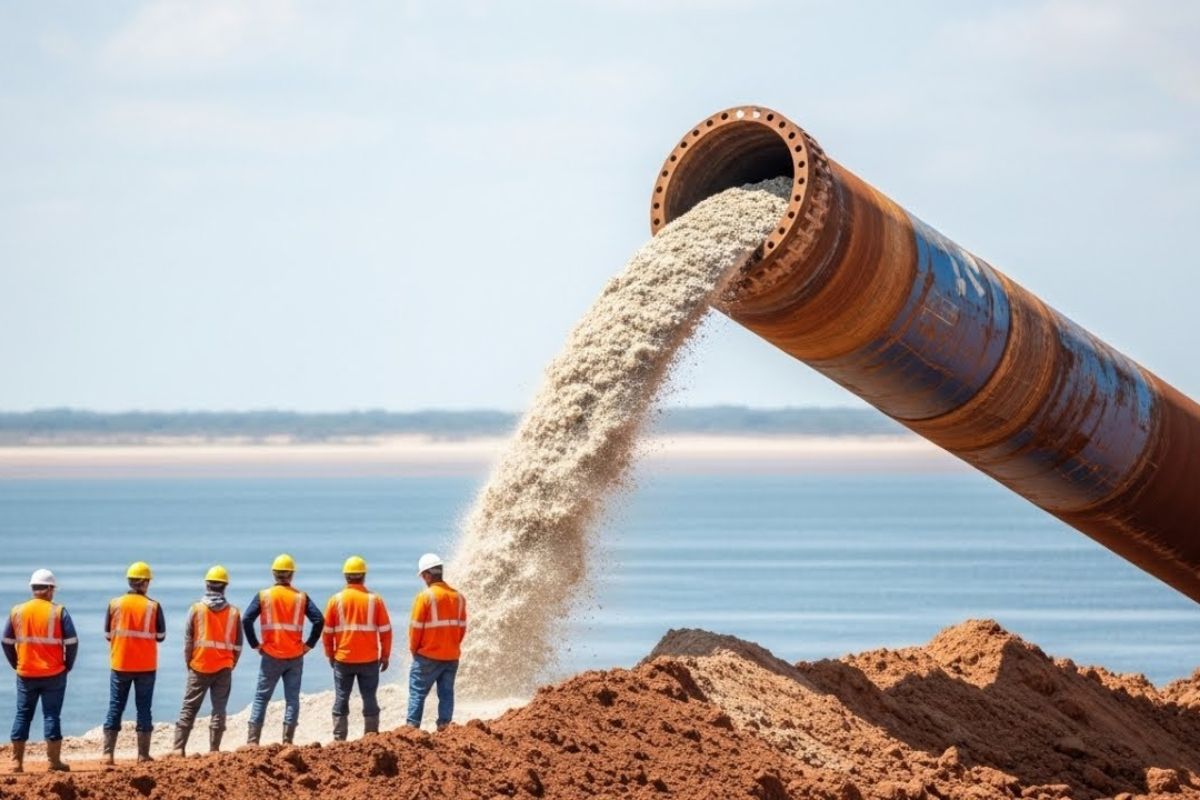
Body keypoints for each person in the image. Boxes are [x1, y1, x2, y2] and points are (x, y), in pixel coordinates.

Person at [242, 554, 323, 745]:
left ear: (273, 573)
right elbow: (319, 620)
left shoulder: (264, 595)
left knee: (261, 697)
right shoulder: (301, 597)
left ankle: (252, 742)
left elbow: (246, 619)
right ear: (291, 575)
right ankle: (287, 741)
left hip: (271, 654)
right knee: (292, 699)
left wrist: (255, 644)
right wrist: (308, 645)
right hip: (295, 655)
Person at [3, 569, 77, 773]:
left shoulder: (17, 611)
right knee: (51, 715)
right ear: (50, 589)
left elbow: (6, 641)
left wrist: (16, 663)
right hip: (54, 673)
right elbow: (72, 642)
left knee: (22, 715)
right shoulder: (59, 611)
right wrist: (67, 665)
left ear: (33, 589)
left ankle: (16, 762)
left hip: (26, 673)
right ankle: (54, 762)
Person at [171, 565, 242, 757]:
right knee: (219, 709)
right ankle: (214, 749)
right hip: (224, 666)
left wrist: (189, 662)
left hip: (199, 665)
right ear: (225, 587)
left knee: (189, 707)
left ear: (207, 585)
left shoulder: (196, 609)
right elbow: (238, 645)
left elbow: (188, 640)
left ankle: (178, 749)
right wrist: (231, 663)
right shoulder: (234, 612)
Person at [322, 555, 392, 741]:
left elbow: (327, 632)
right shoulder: (375, 600)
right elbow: (385, 631)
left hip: (343, 659)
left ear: (346, 576)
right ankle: (371, 737)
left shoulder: (335, 600)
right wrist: (385, 655)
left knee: (341, 698)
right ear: (364, 576)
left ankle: (339, 739)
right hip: (369, 660)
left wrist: (330, 654)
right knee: (369, 698)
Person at [103, 561, 166, 765]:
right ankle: (143, 755)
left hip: (120, 663)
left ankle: (108, 755)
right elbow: (161, 636)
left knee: (115, 706)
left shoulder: (114, 604)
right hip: (146, 666)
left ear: (130, 582)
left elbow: (107, 635)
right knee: (144, 709)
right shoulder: (153, 606)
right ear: (145, 583)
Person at [406, 553, 467, 731]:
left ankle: (411, 730)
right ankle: (444, 728)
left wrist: (414, 649)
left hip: (427, 655)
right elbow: (462, 628)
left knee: (417, 693)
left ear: (427, 575)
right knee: (446, 694)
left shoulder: (425, 597)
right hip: (451, 656)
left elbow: (416, 628)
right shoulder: (459, 597)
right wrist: (452, 646)